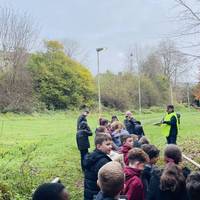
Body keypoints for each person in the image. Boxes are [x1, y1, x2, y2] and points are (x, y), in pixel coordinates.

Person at [84, 133, 112, 200]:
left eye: (111, 144)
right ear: (99, 146)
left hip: (90, 193)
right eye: (108, 144)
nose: (111, 146)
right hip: (97, 194)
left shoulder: (92, 156)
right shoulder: (103, 162)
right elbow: (109, 181)